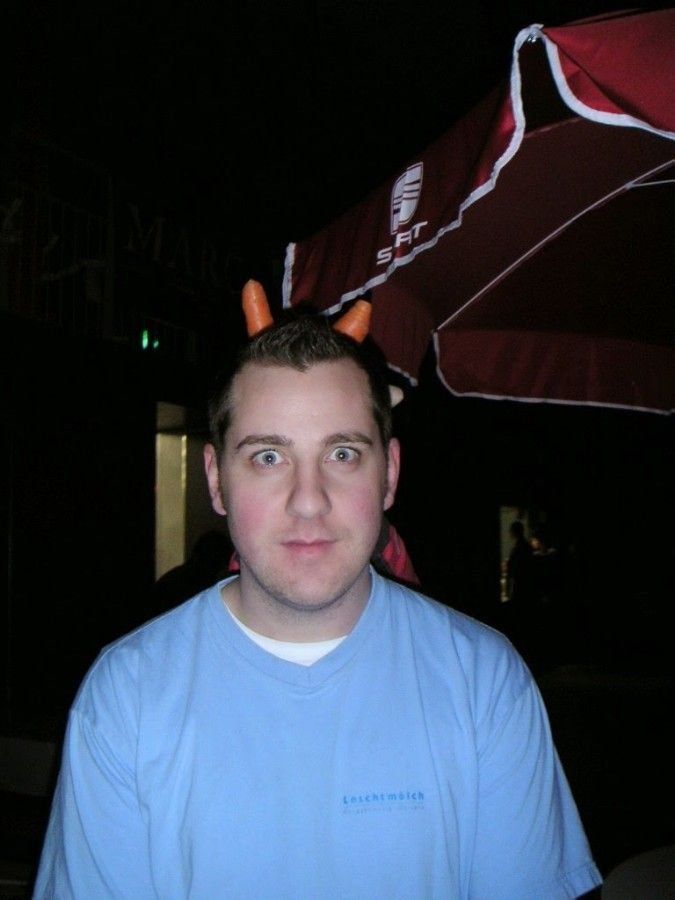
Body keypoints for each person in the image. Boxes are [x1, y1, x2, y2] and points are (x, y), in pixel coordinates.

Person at [34, 308, 602, 898]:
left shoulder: (484, 681)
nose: (308, 501)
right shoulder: (125, 696)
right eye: (268, 457)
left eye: (342, 454)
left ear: (389, 474)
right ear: (216, 480)